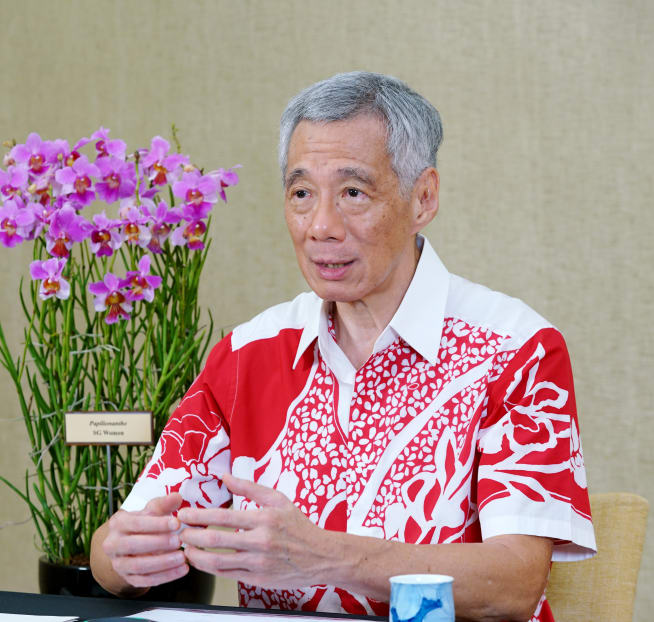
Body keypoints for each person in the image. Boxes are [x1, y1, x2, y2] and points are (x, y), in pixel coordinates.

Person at [90, 71, 596, 621]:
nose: (321, 226)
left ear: (423, 198)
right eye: (302, 193)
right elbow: (112, 555)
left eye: (353, 193)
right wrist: (122, 557)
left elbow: (516, 582)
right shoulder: (248, 353)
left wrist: (323, 556)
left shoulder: (516, 348)